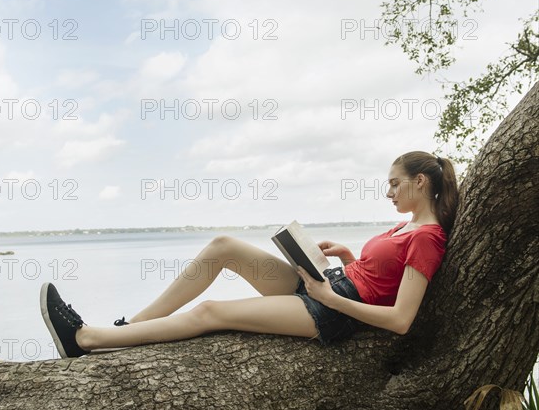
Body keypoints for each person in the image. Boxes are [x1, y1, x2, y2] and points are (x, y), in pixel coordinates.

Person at [40, 150, 459, 359]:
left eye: (393, 184)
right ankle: (129, 327)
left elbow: (402, 319)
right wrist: (349, 257)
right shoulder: (406, 226)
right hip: (330, 284)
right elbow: (378, 280)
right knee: (223, 246)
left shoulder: (427, 238)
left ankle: (86, 338)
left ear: (419, 182)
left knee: (210, 312)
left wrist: (330, 298)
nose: (387, 192)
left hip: (334, 310)